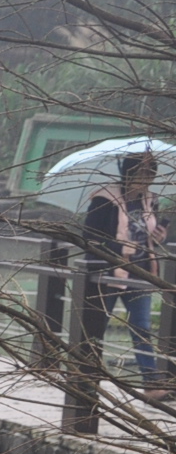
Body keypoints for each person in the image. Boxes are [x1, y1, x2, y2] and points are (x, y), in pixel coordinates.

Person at [82, 151, 168, 399]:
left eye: (150, 173)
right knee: (97, 325)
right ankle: (86, 378)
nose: (146, 178)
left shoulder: (149, 200)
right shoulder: (103, 199)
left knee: (141, 327)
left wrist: (159, 237)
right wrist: (119, 249)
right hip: (108, 274)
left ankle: (151, 384)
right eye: (141, 172)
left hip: (140, 272)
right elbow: (90, 238)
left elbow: (144, 237)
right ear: (128, 172)